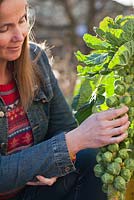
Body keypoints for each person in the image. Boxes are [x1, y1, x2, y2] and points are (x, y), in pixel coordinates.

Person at [0, 0, 130, 199]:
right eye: (4, 28)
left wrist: (52, 163)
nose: (19, 35)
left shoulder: (36, 59)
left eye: (22, 20)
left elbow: (64, 127)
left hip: (31, 192)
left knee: (93, 160)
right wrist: (69, 144)